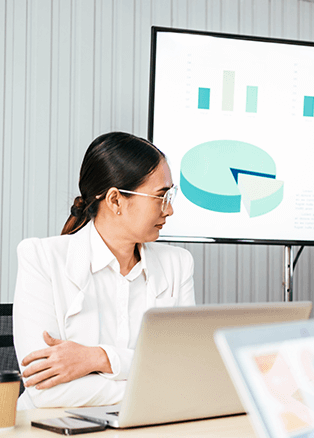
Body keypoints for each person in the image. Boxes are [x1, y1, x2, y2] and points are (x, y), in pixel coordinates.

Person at [13, 132, 196, 408]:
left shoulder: (178, 265)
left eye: (171, 195)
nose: (169, 210)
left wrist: (98, 358)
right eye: (161, 196)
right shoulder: (41, 259)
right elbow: (44, 389)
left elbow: (186, 371)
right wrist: (154, 388)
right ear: (115, 201)